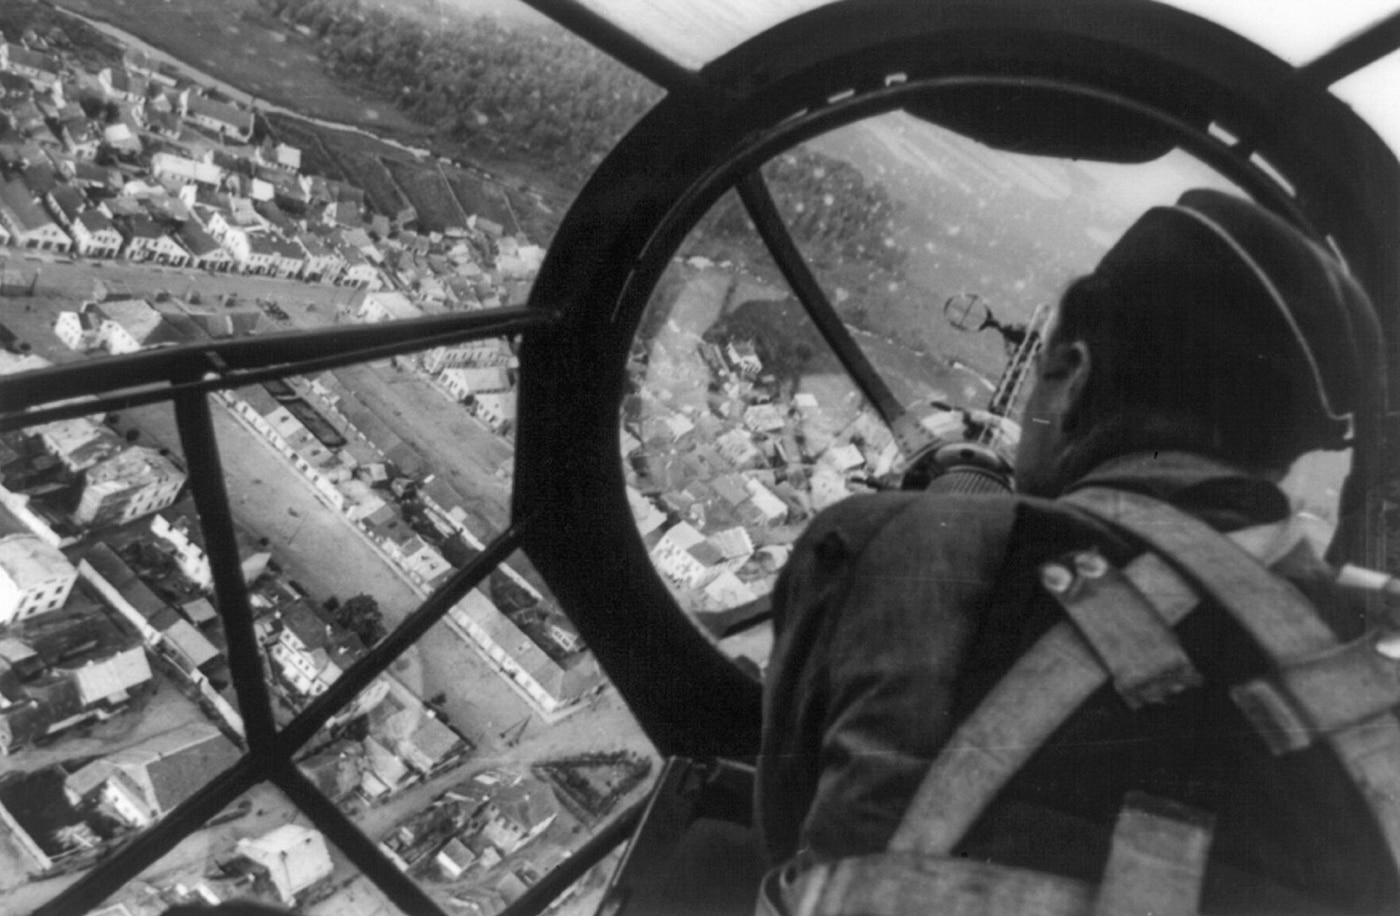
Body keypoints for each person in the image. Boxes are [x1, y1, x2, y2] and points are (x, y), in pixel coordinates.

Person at [756, 188, 1396, 913]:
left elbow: (785, 829)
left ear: (1070, 376)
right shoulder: (1379, 648)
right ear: (1278, 451)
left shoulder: (880, 546)